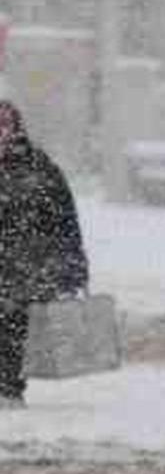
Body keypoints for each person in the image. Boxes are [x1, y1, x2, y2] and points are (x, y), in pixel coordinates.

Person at [0, 101, 89, 410]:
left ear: (14, 130)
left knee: (12, 325)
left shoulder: (40, 169)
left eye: (3, 126)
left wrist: (74, 267)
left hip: (23, 267)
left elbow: (65, 222)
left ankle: (8, 390)